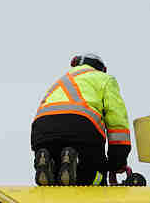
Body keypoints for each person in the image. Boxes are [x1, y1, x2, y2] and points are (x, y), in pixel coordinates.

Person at [32, 54, 132, 186]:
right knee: (94, 177)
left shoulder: (61, 81)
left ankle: (47, 160)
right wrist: (117, 160)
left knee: (57, 177)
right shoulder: (105, 79)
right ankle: (73, 159)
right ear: (101, 68)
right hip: (80, 130)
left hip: (42, 130)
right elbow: (117, 120)